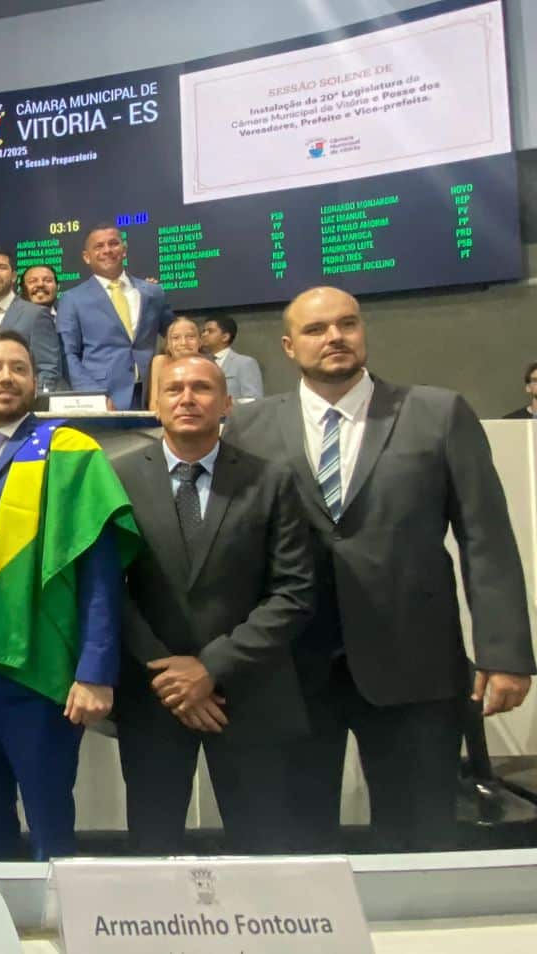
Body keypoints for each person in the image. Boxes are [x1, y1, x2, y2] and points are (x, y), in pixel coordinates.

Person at [229, 286, 535, 852]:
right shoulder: (250, 428)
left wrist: (506, 653)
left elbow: (486, 538)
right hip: (293, 670)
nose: (335, 337)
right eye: (317, 330)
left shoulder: (437, 413)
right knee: (297, 844)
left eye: (347, 324)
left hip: (414, 665)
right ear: (289, 345)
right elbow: (237, 551)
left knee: (421, 836)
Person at [0, 330, 131, 860]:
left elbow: (100, 570)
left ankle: (56, 930)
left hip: (39, 664)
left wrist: (96, 670)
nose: (6, 377)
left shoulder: (70, 452)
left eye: (18, 367)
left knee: (48, 817)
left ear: (36, 382)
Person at [114, 355, 315, 855]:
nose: (187, 398)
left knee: (265, 848)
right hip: (154, 697)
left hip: (250, 694)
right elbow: (106, 590)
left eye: (202, 388)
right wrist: (170, 676)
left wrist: (209, 668)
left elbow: (293, 592)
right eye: (174, 388)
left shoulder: (272, 480)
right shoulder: (114, 478)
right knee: (152, 849)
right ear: (155, 404)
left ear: (226, 403)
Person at [56, 224, 174, 408]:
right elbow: (68, 355)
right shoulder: (72, 299)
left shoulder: (152, 293)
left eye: (114, 244)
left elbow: (174, 335)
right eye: (99, 246)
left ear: (124, 250)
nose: (107, 250)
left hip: (151, 396)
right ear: (87, 257)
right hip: (104, 396)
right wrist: (93, 397)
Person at [0, 249, 60, 392]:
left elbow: (47, 368)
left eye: (2, 267)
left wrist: (33, 406)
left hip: (19, 405)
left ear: (14, 276)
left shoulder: (35, 314)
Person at [199, 315, 264, 401]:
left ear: (225, 337)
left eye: (210, 331)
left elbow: (254, 399)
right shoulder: (201, 364)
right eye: (203, 331)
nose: (204, 334)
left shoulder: (244, 363)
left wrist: (227, 406)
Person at [146, 316, 201, 414]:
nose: (183, 343)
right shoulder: (160, 362)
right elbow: (154, 406)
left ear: (200, 342)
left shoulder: (208, 365)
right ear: (168, 345)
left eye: (191, 337)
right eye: (176, 338)